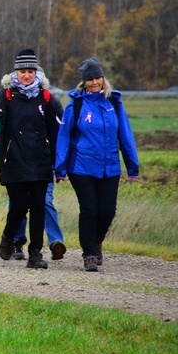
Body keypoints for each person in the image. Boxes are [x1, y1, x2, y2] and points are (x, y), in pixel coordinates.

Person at [55, 58, 139, 272]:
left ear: (103, 79)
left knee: (108, 211)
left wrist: (132, 165)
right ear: (84, 82)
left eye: (97, 78)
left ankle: (96, 241)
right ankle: (89, 254)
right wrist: (60, 167)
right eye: (90, 79)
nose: (94, 82)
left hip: (110, 166)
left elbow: (125, 134)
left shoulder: (113, 102)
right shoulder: (77, 103)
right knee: (90, 209)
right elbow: (64, 136)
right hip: (81, 166)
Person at [0, 66, 67, 261]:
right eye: (22, 71)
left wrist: (58, 162)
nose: (26, 75)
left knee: (38, 207)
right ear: (15, 73)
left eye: (30, 72)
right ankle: (9, 236)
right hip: (14, 160)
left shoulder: (46, 97)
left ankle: (35, 253)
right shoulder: (5, 96)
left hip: (40, 160)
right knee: (19, 206)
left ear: (36, 74)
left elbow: (54, 130)